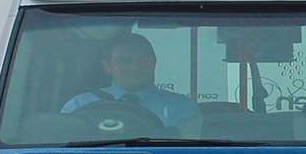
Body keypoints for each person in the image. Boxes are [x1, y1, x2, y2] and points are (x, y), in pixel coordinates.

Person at [60, 32, 201, 128]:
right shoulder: (78, 106)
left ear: (154, 63)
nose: (135, 68)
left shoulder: (182, 108)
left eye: (143, 60)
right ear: (108, 66)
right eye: (125, 61)